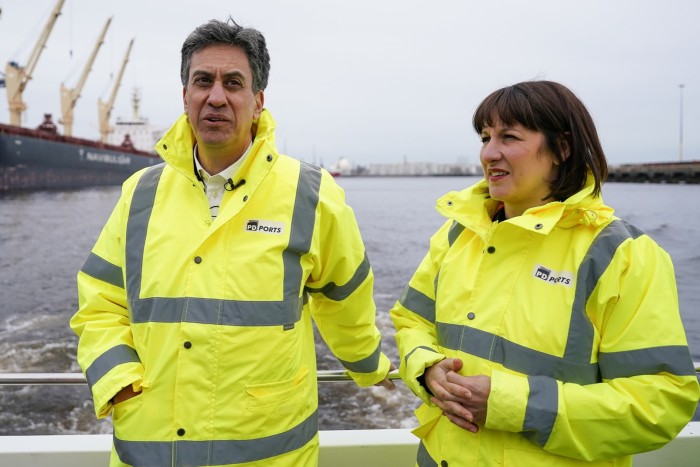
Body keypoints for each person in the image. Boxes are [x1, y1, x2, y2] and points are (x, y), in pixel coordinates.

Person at [71, 18, 394, 467]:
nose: (216, 96)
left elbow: (345, 298)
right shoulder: (140, 194)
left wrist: (370, 366)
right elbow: (100, 302)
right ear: (185, 97)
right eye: (202, 81)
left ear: (257, 102)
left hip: (267, 453)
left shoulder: (311, 194)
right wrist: (115, 377)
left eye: (233, 83)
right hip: (149, 449)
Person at [390, 80, 700, 466]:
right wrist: (428, 369)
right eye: (485, 137)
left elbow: (660, 403)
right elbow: (410, 320)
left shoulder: (620, 255)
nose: (489, 153)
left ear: (562, 148)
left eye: (509, 137)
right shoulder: (458, 234)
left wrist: (512, 406)